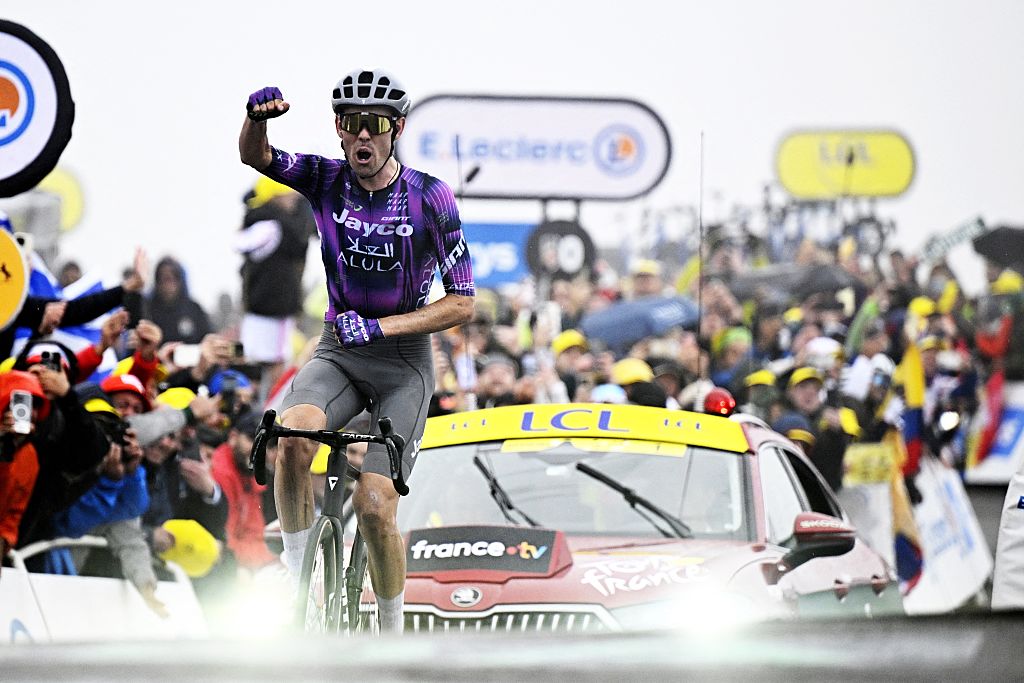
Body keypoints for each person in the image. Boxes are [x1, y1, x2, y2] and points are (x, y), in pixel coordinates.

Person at [241, 68, 475, 632]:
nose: (362, 138)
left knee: (373, 508)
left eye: (374, 126)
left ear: (395, 129)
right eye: (351, 126)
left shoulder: (429, 196)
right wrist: (253, 121)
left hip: (403, 364)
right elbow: (257, 156)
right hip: (340, 349)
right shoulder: (325, 180)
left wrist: (387, 327)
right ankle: (300, 591)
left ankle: (390, 631)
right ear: (340, 131)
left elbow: (463, 303)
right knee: (291, 434)